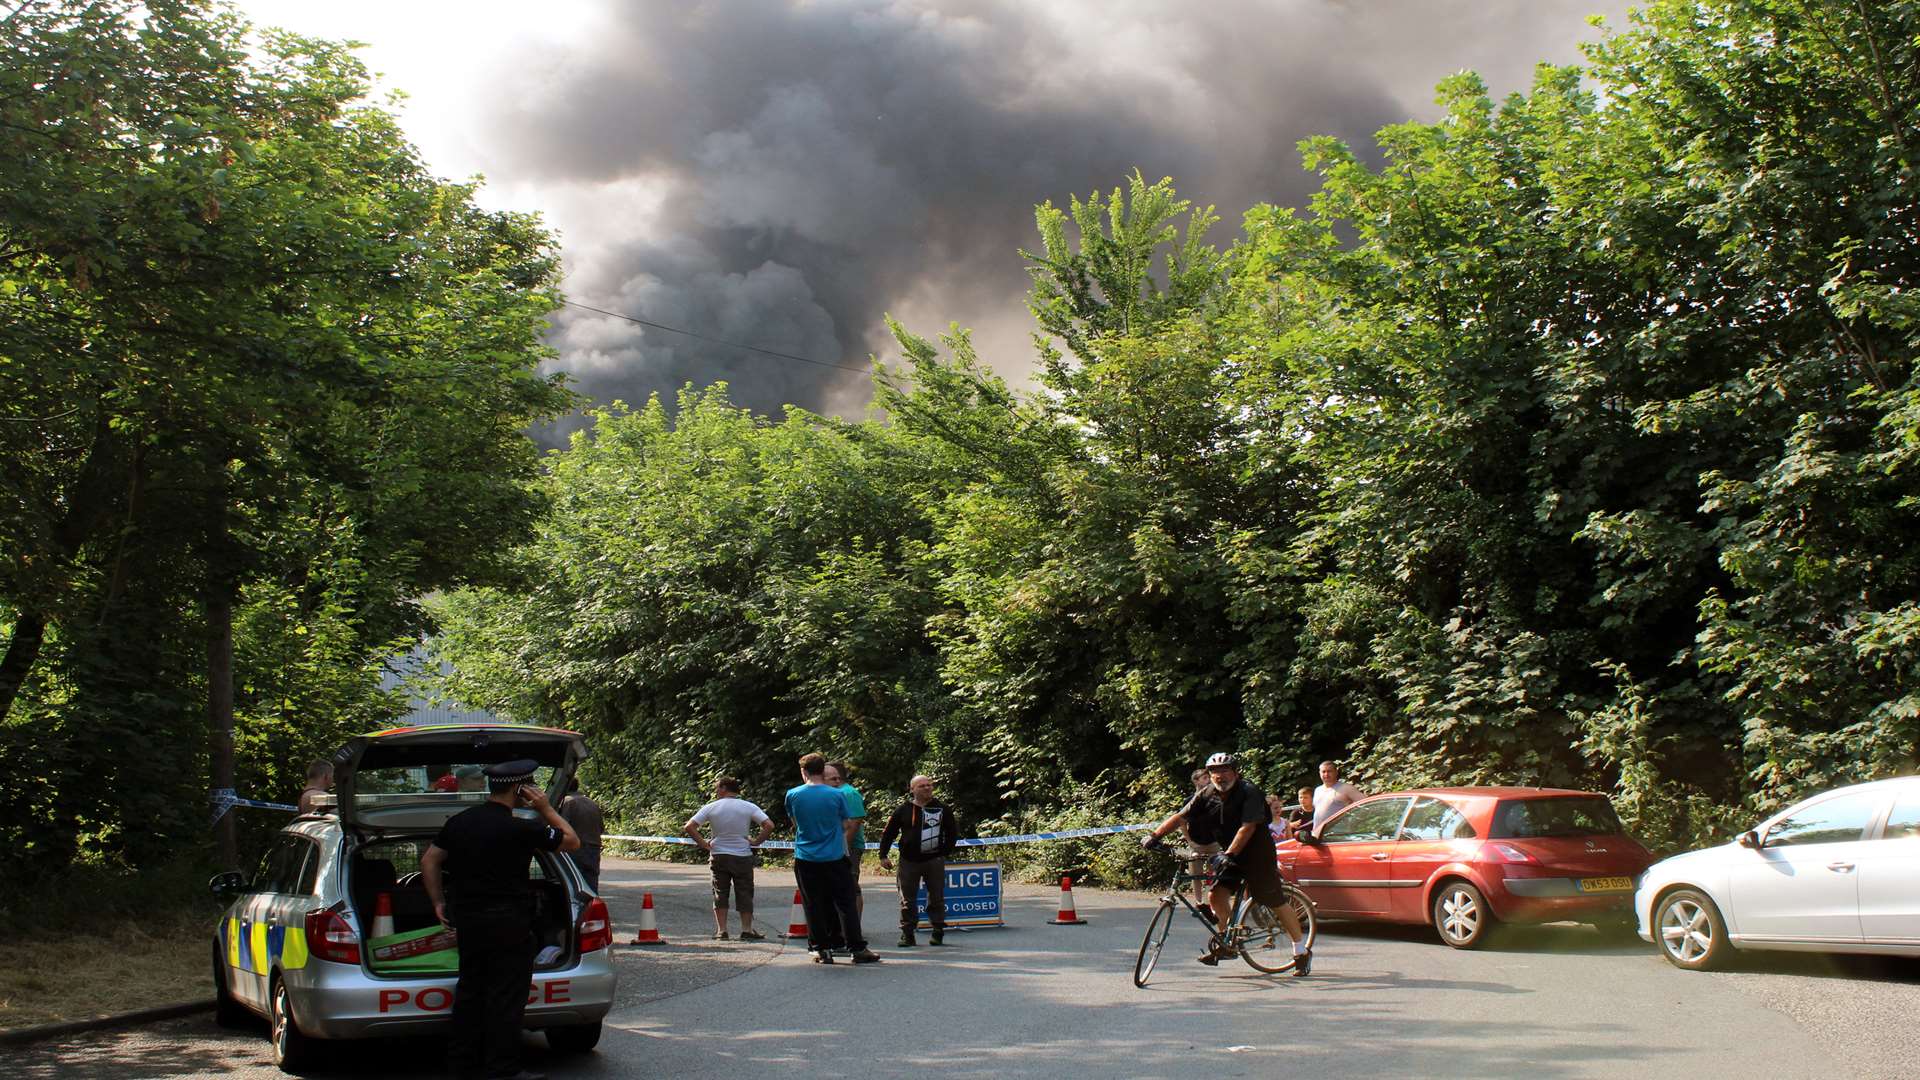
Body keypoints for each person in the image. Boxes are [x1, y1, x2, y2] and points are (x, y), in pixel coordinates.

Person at [421, 760, 581, 1080]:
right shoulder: (522, 827)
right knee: (506, 996)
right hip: (509, 924)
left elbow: (430, 859)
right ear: (520, 789)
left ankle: (461, 1065)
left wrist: (438, 901)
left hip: (467, 921)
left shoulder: (460, 823)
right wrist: (546, 808)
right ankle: (502, 1069)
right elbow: (572, 841)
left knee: (470, 991)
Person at [1142, 752, 1312, 976]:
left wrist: (1229, 854)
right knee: (1216, 896)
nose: (1219, 776)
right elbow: (1181, 817)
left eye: (1224, 771)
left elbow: (1248, 827)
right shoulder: (1207, 794)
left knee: (1274, 900)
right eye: (1214, 772)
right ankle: (1226, 943)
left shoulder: (1249, 792)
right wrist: (1155, 836)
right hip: (1230, 855)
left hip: (1257, 855)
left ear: (1235, 772)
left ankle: (1301, 952)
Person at [787, 753, 879, 964]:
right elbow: (846, 824)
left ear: (804, 772)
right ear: (822, 771)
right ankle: (856, 948)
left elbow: (795, 822)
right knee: (846, 903)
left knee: (813, 904)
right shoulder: (837, 796)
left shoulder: (792, 794)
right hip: (834, 856)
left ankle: (821, 949)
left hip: (806, 856)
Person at [685, 776, 774, 940]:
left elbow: (689, 826)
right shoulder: (748, 806)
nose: (716, 791)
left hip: (719, 854)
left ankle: (722, 931)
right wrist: (756, 842)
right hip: (742, 855)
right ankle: (746, 930)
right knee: (745, 892)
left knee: (720, 891)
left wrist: (704, 844)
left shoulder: (711, 807)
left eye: (717, 788)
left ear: (724, 788)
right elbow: (769, 825)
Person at [877, 774, 959, 948]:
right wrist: (883, 855)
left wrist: (943, 852)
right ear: (912, 789)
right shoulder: (903, 810)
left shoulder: (942, 809)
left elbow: (952, 833)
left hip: (934, 860)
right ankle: (908, 934)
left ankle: (937, 931)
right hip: (908, 861)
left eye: (929, 785)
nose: (927, 788)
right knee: (907, 899)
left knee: (936, 897)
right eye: (922, 786)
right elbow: (889, 833)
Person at [825, 760, 867, 925]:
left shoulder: (849, 793)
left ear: (837, 776)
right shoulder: (835, 792)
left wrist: (843, 848)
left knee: (851, 886)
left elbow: (855, 822)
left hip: (849, 848)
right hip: (836, 848)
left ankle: (853, 926)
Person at [560, 778, 606, 893]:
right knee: (591, 882)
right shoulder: (592, 802)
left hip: (574, 850)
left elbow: (562, 828)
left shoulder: (567, 802)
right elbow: (601, 828)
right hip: (594, 849)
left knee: (574, 884)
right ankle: (592, 907)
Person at [1311, 761, 1363, 839]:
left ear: (1336, 772)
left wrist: (1355, 821)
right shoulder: (1317, 790)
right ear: (1319, 773)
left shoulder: (1346, 788)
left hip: (1339, 836)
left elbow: (1367, 804)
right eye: (1323, 772)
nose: (1326, 774)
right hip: (1318, 836)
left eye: (1329, 771)